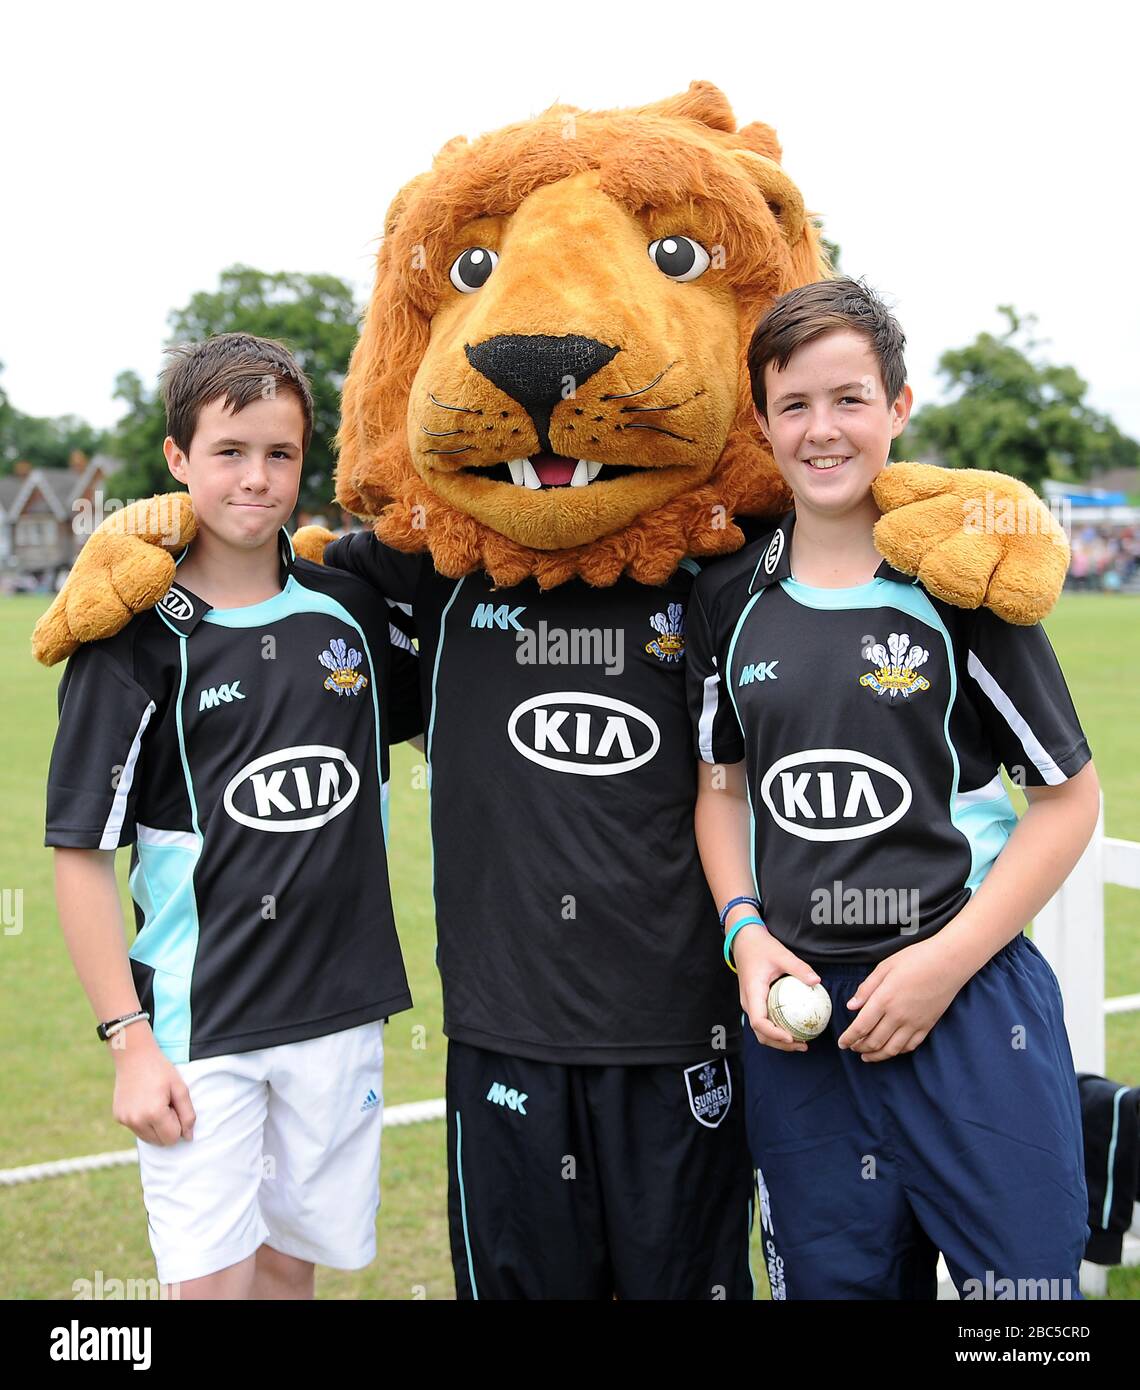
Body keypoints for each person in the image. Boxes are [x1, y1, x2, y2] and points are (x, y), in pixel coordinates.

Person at [687, 278, 1100, 1300]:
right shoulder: (727, 596)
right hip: (802, 1022)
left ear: (898, 409)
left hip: (971, 1012)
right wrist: (745, 934)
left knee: (1026, 1315)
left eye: (850, 399)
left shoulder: (960, 585)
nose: (822, 430)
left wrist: (942, 966)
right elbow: (721, 790)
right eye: (795, 405)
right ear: (764, 421)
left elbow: (1069, 800)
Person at [45, 334, 420, 1300]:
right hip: (196, 1027)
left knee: (289, 1277)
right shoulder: (130, 640)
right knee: (207, 1290)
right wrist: (128, 1041)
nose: (257, 479)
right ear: (177, 460)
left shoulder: (353, 612)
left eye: (281, 455)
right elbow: (79, 854)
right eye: (229, 452)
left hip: (338, 1016)